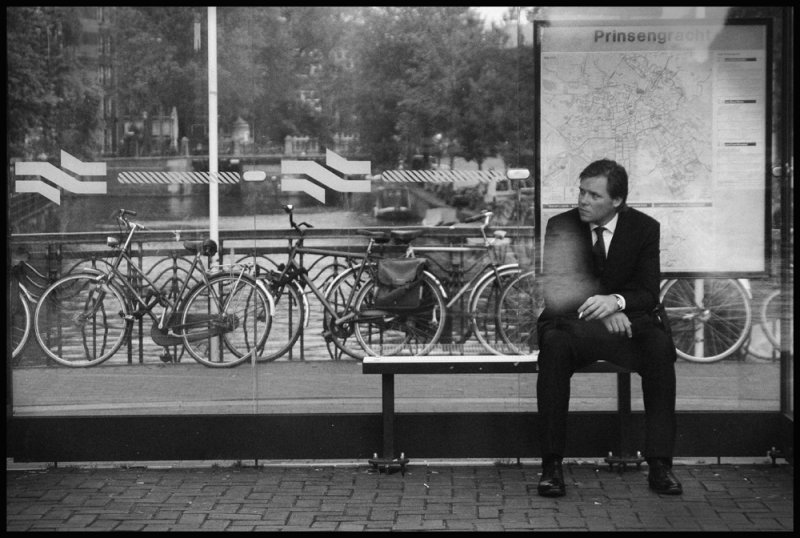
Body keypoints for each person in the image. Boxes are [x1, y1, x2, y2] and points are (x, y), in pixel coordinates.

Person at [535, 158, 682, 497]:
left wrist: (616, 302)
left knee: (659, 349)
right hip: (574, 327)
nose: (583, 201)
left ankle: (660, 464)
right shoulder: (561, 225)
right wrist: (604, 310)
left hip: (627, 329)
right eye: (581, 192)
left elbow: (647, 291)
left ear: (616, 201)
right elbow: (556, 288)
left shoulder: (644, 228)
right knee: (554, 348)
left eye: (593, 195)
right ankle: (552, 465)